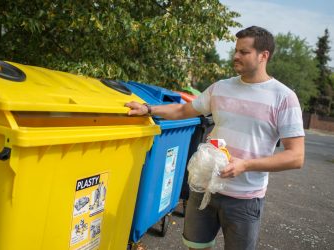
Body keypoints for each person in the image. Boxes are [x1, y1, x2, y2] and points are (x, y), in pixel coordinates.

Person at [125, 26, 305, 250]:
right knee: (196, 247)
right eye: (236, 50)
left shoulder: (284, 97)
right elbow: (183, 112)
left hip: (245, 199)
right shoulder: (221, 88)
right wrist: (149, 109)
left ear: (263, 56)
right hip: (204, 188)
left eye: (244, 52)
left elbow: (295, 156)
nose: (236, 56)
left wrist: (246, 165)